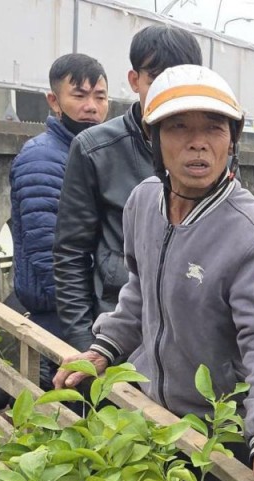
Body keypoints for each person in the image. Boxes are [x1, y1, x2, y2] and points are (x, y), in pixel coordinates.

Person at [52, 64, 254, 481]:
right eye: (179, 127)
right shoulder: (144, 203)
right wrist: (103, 349)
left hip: (221, 432)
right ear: (154, 139)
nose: (198, 143)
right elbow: (140, 289)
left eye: (214, 129)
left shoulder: (253, 238)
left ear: (232, 140)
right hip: (150, 416)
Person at [52, 25, 203, 354]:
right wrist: (83, 345)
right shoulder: (95, 149)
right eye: (157, 79)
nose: (170, 92)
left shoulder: (212, 149)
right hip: (118, 335)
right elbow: (71, 254)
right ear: (135, 81)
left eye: (181, 80)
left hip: (191, 337)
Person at [10, 54, 109, 388]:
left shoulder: (94, 153)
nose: (92, 106)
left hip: (87, 312)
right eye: (79, 96)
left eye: (100, 96)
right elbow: (48, 255)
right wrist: (84, 330)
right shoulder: (42, 159)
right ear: (54, 101)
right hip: (62, 316)